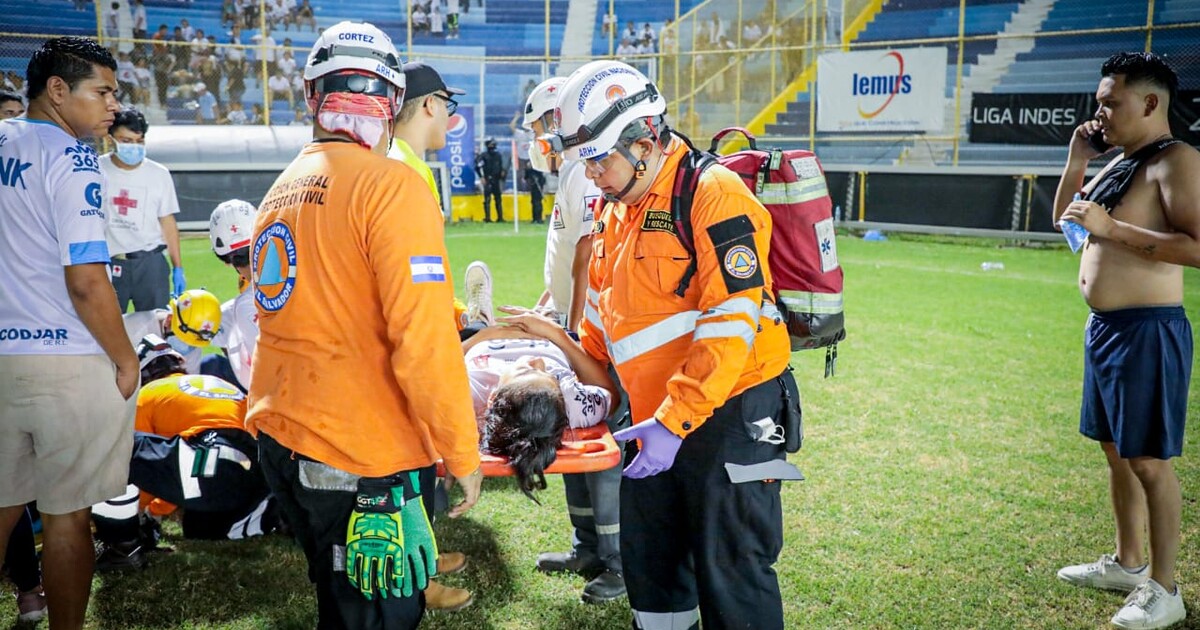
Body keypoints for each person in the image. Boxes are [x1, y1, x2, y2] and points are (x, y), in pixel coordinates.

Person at [548, 60, 803, 630]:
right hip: (653, 421)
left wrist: (673, 420)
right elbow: (602, 320)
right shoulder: (616, 208)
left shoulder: (714, 192)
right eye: (584, 161)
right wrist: (571, 380)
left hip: (733, 412)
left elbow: (731, 318)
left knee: (733, 571)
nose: (591, 175)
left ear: (645, 141)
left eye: (599, 159)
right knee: (653, 571)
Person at [248, 21, 484, 629]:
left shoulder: (282, 187)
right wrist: (462, 452)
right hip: (356, 448)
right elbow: (423, 341)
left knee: (341, 601)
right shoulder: (390, 185)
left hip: (286, 434)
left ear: (310, 96)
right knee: (376, 614)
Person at [1052, 52, 1200, 630]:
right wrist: (1075, 158)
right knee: (1116, 451)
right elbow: (1068, 224)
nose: (1101, 114)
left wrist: (1114, 229)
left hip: (1148, 330)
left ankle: (1165, 589)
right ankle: (1129, 564)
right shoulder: (1120, 163)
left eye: (1111, 103)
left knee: (1149, 460)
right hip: (1107, 331)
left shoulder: (1177, 161)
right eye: (1098, 103)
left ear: (1150, 103)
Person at [0, 36, 134, 630]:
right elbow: (86, 281)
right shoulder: (73, 158)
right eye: (101, 91)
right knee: (66, 517)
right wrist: (126, 358)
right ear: (58, 90)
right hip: (65, 358)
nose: (111, 105)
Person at [523, 77, 627, 603]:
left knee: (604, 442)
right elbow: (566, 259)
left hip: (594, 332)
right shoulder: (571, 172)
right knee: (575, 432)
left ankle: (617, 560)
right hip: (575, 322)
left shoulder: (580, 174)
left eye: (540, 126)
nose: (537, 139)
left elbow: (589, 251)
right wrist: (550, 301)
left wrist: (577, 328)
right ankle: (588, 545)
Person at [386, 60, 476, 612]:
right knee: (407, 463)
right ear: (428, 105)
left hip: (421, 322)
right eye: (450, 105)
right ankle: (414, 581)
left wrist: (457, 308)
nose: (451, 116)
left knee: (413, 464)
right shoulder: (404, 171)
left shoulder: (401, 163)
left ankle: (424, 554)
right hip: (411, 340)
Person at [93, 335, 280, 571]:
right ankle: (272, 512)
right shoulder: (215, 382)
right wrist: (159, 509)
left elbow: (142, 470)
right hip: (255, 471)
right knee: (199, 527)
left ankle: (121, 547)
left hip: (210, 458)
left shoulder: (147, 395)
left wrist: (138, 515)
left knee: (114, 443)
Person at [100, 107, 186, 311]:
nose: (134, 147)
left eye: (140, 141)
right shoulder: (97, 169)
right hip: (111, 263)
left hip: (150, 263)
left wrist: (178, 267)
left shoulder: (159, 174)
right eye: (127, 141)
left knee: (156, 331)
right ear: (111, 139)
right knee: (108, 329)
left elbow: (167, 221)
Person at [475, 137, 506, 222]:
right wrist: (481, 177)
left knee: (498, 199)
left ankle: (500, 217)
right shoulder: (484, 156)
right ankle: (487, 218)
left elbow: (501, 167)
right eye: (491, 144)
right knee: (487, 200)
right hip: (487, 179)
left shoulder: (498, 155)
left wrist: (502, 175)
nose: (492, 146)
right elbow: (477, 166)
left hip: (496, 179)